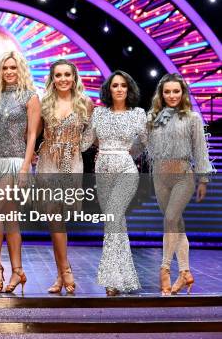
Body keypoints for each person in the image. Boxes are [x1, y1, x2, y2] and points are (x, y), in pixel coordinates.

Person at [146, 73, 214, 295]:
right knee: (177, 226)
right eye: (167, 91)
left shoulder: (192, 118)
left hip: (183, 175)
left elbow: (200, 150)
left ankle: (164, 268)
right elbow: (145, 147)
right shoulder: (153, 118)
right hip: (159, 176)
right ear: (161, 94)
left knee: (171, 219)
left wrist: (203, 178)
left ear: (183, 92)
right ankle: (185, 273)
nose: (172, 95)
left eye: (176, 91)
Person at [81, 70, 146, 296]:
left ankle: (110, 280)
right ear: (109, 89)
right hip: (103, 172)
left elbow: (145, 143)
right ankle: (124, 277)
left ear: (129, 89)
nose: (119, 89)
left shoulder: (138, 114)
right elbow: (85, 143)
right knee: (116, 223)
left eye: (123, 85)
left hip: (127, 170)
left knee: (113, 219)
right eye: (115, 85)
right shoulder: (99, 114)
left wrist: (128, 154)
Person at [0, 50, 40, 295]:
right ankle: (18, 271)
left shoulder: (30, 97)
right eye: (5, 68)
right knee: (10, 219)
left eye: (13, 68)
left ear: (20, 70)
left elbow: (32, 135)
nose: (9, 72)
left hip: (16, 162)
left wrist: (26, 166)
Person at [36, 59, 92, 294]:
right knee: (53, 217)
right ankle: (65, 271)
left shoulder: (85, 103)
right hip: (48, 160)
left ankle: (61, 274)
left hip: (71, 162)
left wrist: (77, 147)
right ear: (52, 78)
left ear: (74, 76)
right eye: (58, 75)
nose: (63, 79)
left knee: (60, 218)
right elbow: (34, 133)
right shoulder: (45, 102)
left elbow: (91, 134)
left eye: (67, 74)